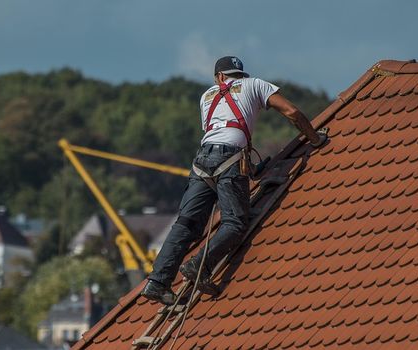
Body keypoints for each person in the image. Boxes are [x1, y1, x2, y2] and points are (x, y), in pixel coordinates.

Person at [140, 56, 327, 305]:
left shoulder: (206, 96)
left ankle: (157, 282)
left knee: (186, 223)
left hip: (202, 161)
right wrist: (315, 139)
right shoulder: (255, 84)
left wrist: (247, 169)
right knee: (235, 222)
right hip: (229, 157)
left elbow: (219, 131)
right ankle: (199, 266)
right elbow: (291, 112)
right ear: (237, 75)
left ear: (219, 77)